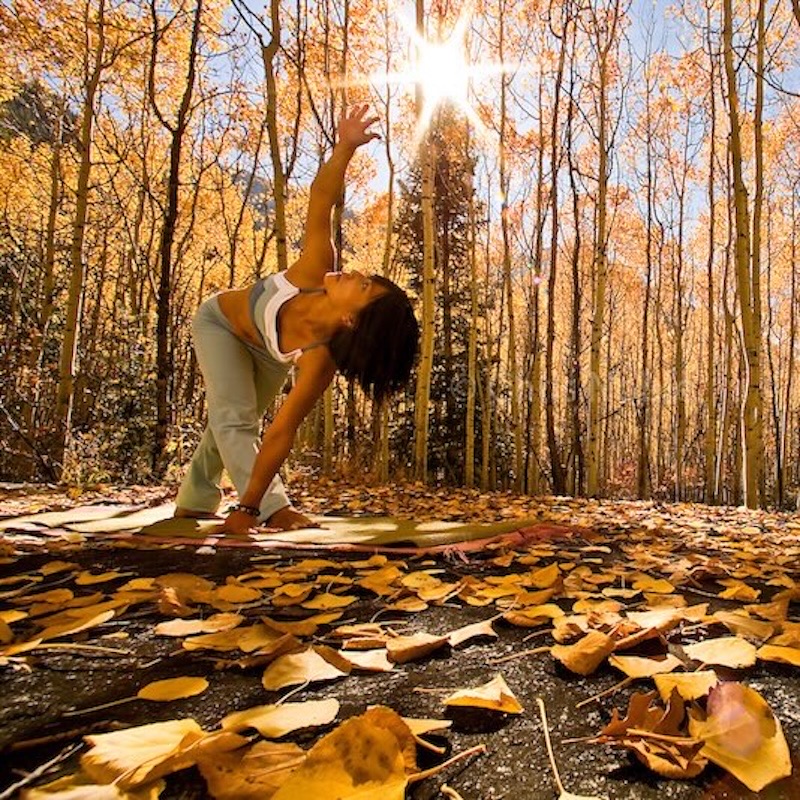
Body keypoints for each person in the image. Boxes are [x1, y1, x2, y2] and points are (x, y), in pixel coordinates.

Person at [174, 105, 419, 536]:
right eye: (366, 277)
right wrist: (344, 148)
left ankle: (195, 502)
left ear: (350, 321)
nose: (355, 274)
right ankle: (272, 508)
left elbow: (281, 434)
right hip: (219, 324)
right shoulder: (314, 269)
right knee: (234, 416)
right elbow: (321, 199)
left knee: (230, 417)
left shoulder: (319, 360)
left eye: (362, 287)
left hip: (268, 356)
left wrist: (243, 508)